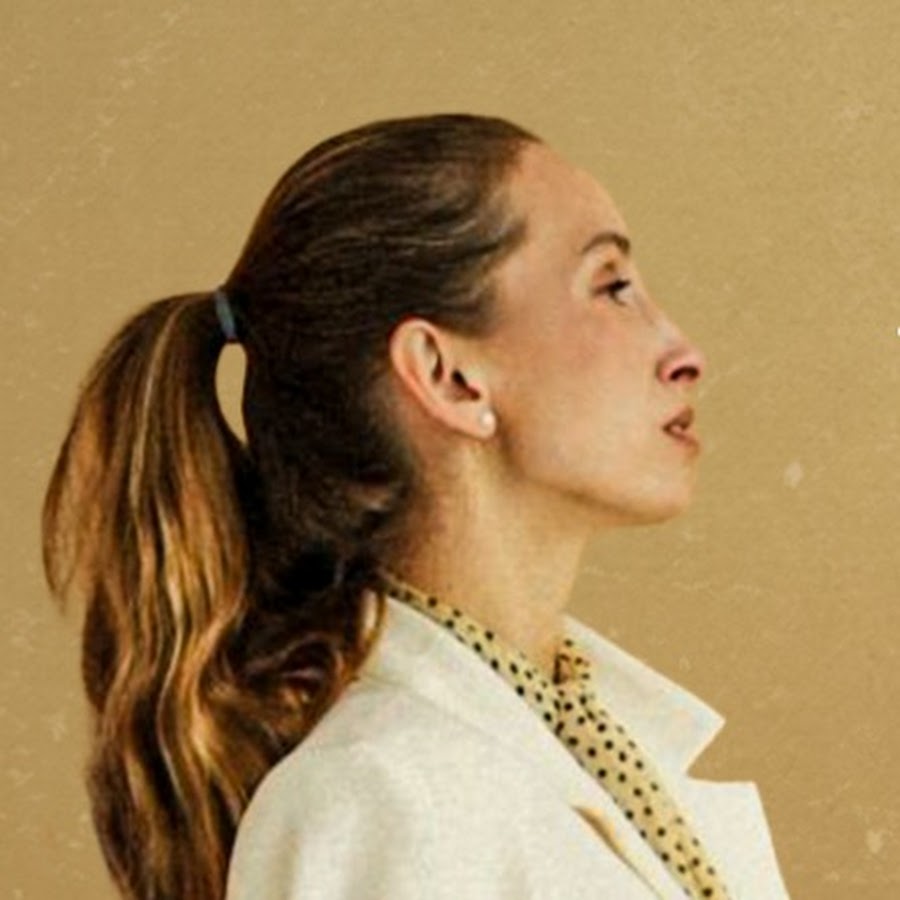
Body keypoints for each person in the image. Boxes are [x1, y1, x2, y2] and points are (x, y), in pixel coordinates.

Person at [41, 113, 790, 899]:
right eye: (612, 287)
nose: (684, 353)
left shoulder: (586, 754)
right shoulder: (374, 802)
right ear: (447, 375)